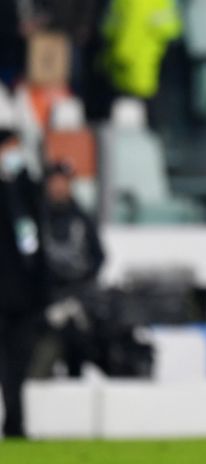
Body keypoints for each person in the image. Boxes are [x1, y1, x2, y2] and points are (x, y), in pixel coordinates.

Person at [29, 161, 104, 378]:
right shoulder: (36, 218)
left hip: (78, 299)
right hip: (44, 302)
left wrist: (81, 289)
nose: (59, 187)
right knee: (41, 361)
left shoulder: (82, 218)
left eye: (64, 182)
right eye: (55, 182)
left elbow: (98, 257)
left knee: (77, 356)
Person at [0, 111, 47, 439]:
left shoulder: (27, 188)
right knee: (6, 361)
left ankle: (16, 419)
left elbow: (35, 237)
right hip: (2, 293)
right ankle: (14, 420)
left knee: (21, 359)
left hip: (27, 294)